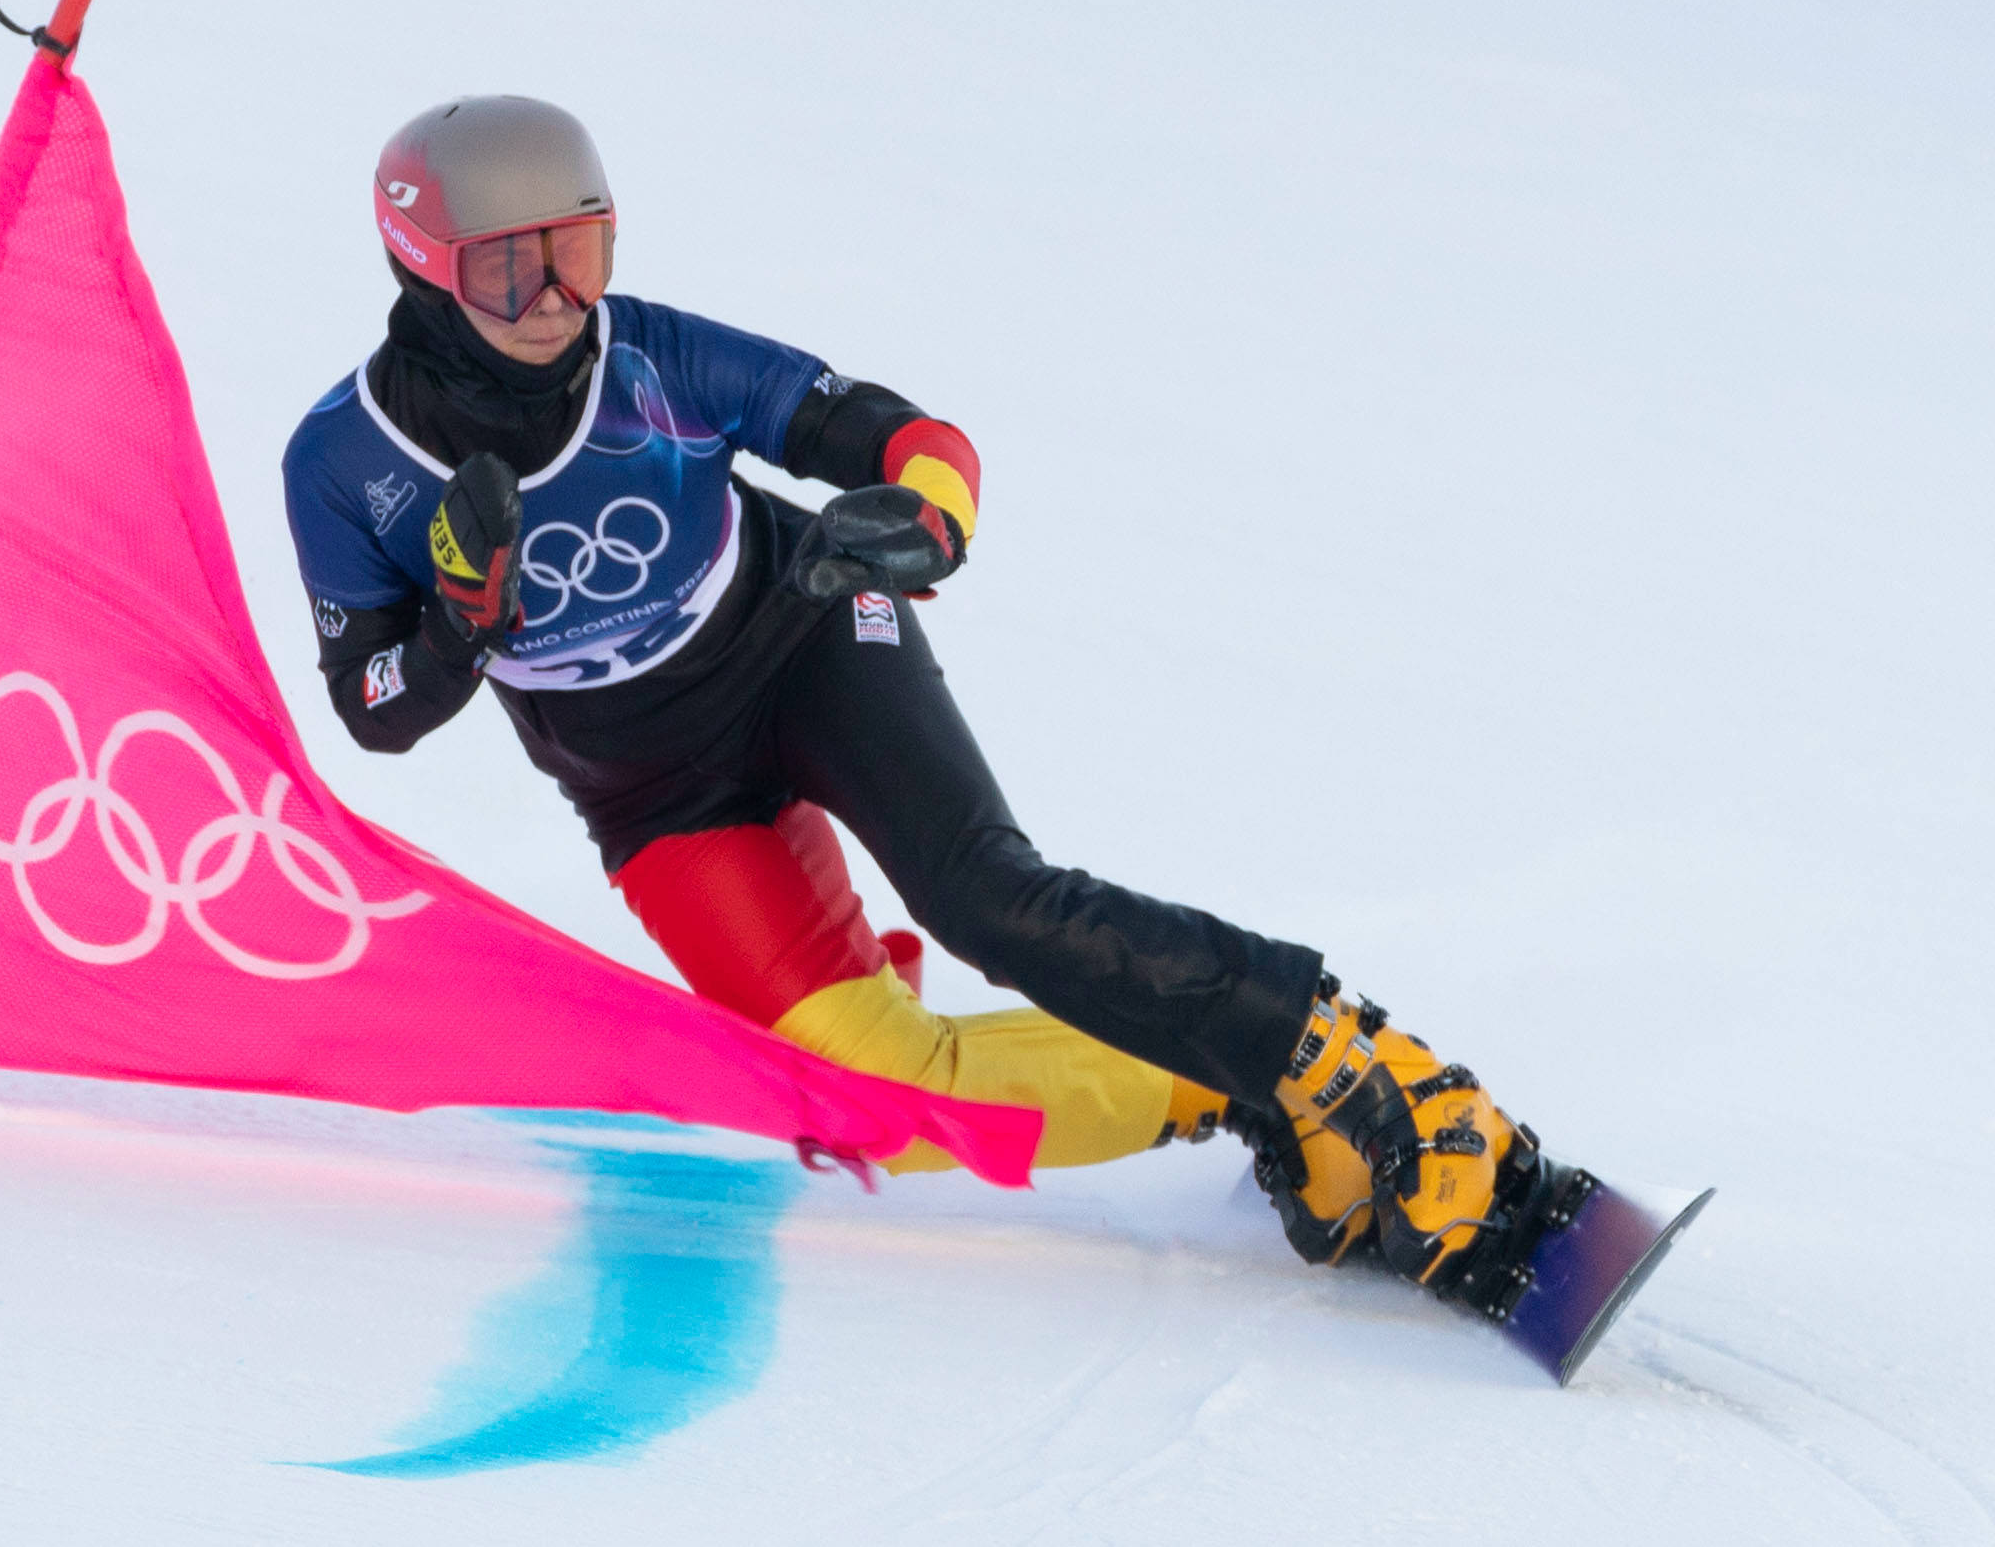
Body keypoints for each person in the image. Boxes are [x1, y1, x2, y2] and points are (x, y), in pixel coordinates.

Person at [282, 96, 1537, 1295]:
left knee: (984, 899)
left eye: (583, 250)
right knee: (867, 1101)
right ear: (422, 269)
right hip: (654, 788)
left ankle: (1368, 1066)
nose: (559, 300)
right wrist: (455, 632)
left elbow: (894, 433)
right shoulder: (341, 462)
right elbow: (372, 708)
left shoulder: (652, 356)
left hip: (807, 641)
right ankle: (1226, 1081)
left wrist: (933, 517)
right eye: (512, 271)